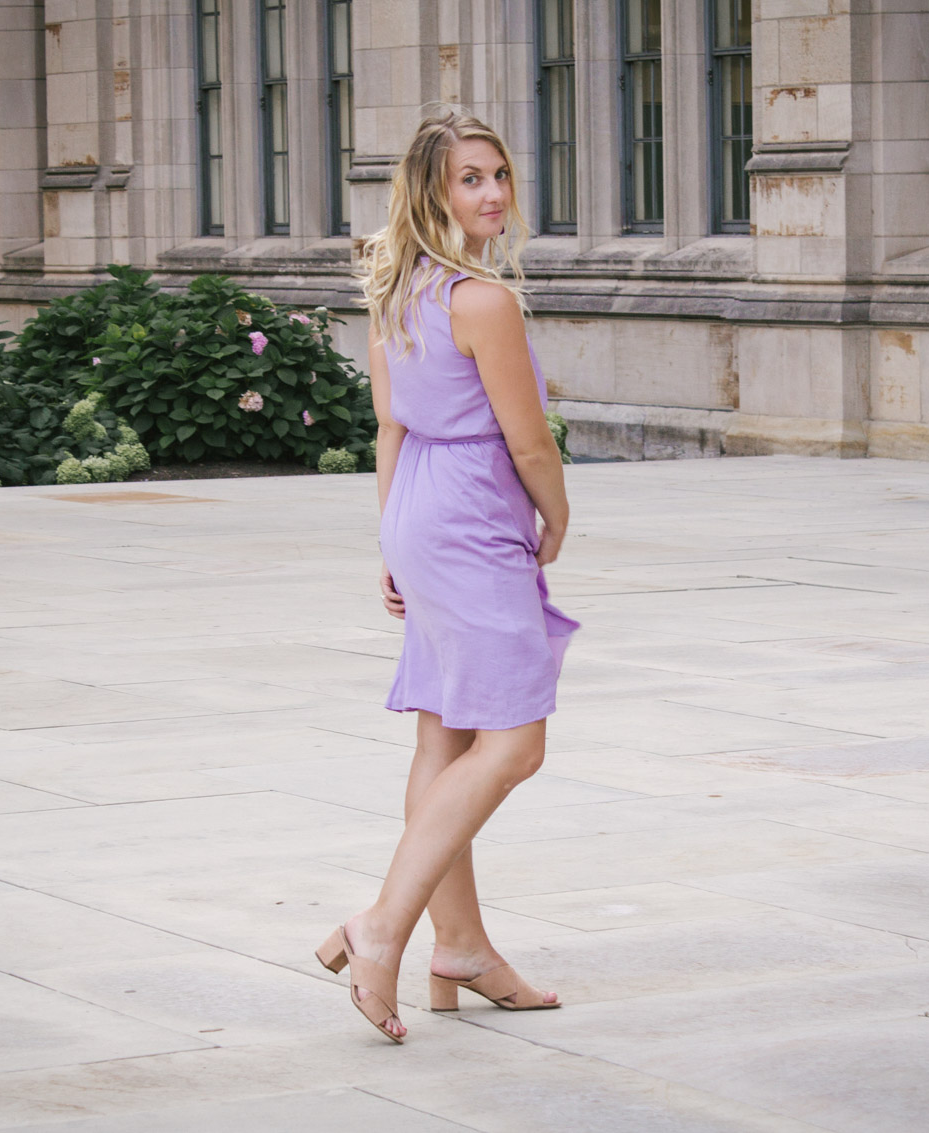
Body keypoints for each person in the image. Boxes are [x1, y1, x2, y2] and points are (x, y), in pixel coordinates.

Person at [314, 106, 579, 1043]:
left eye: (499, 173)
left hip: (420, 509)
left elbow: (390, 427)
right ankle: (383, 924)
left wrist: (391, 537)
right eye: (471, 178)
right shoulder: (481, 299)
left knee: (445, 737)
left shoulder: (396, 291)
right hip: (468, 515)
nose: (494, 192)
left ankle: (459, 945)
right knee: (514, 744)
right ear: (432, 191)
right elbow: (528, 438)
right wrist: (557, 511)